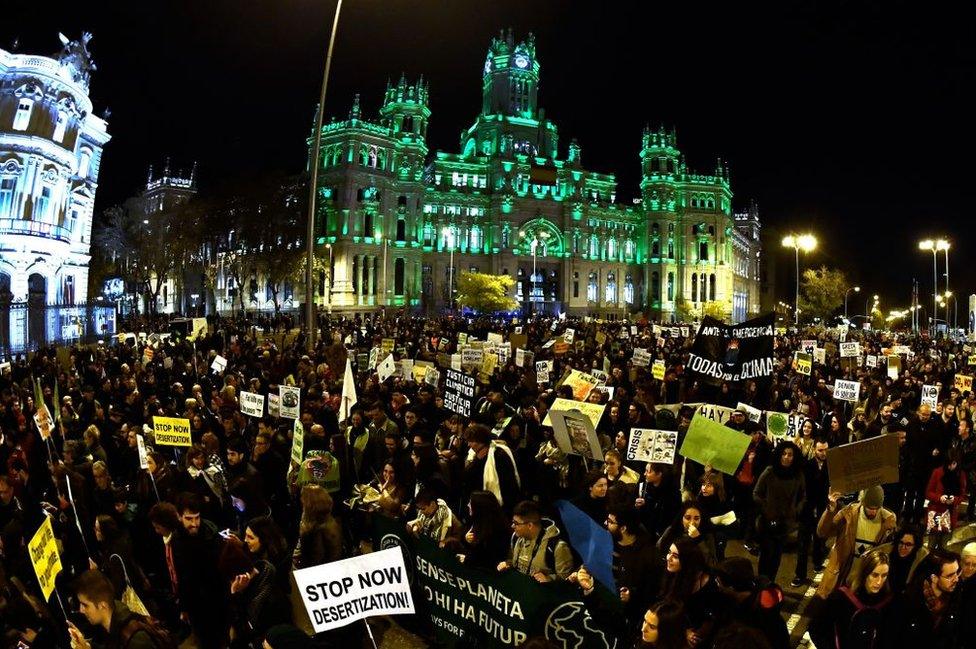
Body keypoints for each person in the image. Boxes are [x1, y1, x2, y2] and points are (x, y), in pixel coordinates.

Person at [816, 485, 897, 599]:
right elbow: (822, 532)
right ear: (862, 503)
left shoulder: (888, 520)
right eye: (870, 508)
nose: (873, 512)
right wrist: (831, 509)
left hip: (866, 580)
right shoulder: (848, 514)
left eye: (877, 508)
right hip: (843, 575)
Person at [808, 548, 893, 649]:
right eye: (874, 575)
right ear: (865, 573)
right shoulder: (841, 598)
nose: (879, 582)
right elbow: (815, 628)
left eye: (884, 576)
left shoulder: (887, 602)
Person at [68, 569, 174, 649]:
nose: (81, 610)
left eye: (85, 605)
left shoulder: (135, 639)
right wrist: (86, 645)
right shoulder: (111, 626)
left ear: (102, 606)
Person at [753, 441, 806, 581]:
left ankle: (771, 583)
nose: (786, 457)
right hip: (767, 522)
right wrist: (767, 509)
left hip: (785, 523)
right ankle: (761, 584)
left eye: (790, 454)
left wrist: (796, 510)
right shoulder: (770, 472)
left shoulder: (798, 475)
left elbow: (803, 496)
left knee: (776, 556)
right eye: (784, 454)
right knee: (766, 555)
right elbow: (756, 493)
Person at [888, 550, 964, 646]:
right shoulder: (907, 601)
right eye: (950, 576)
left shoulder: (956, 598)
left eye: (957, 573)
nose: (956, 579)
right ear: (934, 577)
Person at [713, 556, 789, 649]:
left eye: (718, 581)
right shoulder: (728, 598)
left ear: (731, 587)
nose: (717, 584)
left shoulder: (765, 598)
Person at [605, 507, 661, 632]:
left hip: (635, 618)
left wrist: (632, 596)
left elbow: (652, 592)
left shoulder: (648, 555)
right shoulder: (616, 543)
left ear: (623, 528)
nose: (606, 523)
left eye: (610, 521)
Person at [498, 500, 574, 582]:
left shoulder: (557, 547)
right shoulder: (516, 538)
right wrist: (508, 564)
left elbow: (568, 581)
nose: (512, 526)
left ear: (530, 525)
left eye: (516, 523)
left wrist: (550, 579)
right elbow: (512, 561)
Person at [795, 438, 830, 587]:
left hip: (823, 508)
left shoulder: (831, 466)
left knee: (819, 539)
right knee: (803, 544)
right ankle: (799, 575)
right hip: (807, 510)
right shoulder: (806, 466)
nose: (823, 453)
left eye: (826, 450)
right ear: (814, 450)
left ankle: (817, 562)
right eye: (820, 450)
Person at [452, 490, 509, 570]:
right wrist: (466, 539)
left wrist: (467, 559)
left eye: (471, 503)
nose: (468, 505)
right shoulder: (475, 519)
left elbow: (490, 559)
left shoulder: (499, 530)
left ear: (480, 507)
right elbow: (463, 537)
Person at [293, 485, 342, 569]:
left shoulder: (315, 529)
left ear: (310, 504)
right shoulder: (331, 520)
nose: (301, 500)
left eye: (303, 498)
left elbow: (316, 558)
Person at [880, 524, 927, 595]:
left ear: (915, 546)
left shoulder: (920, 559)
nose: (903, 547)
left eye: (908, 544)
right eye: (901, 543)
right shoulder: (889, 553)